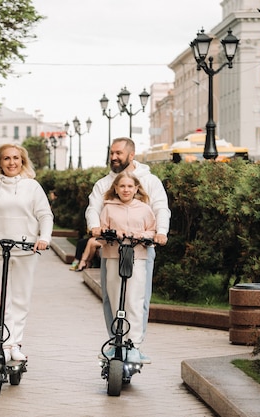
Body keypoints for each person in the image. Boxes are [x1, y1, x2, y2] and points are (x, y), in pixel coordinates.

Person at [85, 137, 170, 363]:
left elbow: (161, 208)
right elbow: (93, 208)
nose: (114, 157)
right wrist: (95, 227)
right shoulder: (104, 184)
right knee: (110, 297)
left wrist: (161, 232)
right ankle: (114, 341)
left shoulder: (150, 181)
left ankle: (135, 344)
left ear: (131, 155)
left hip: (141, 249)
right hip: (112, 249)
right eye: (111, 153)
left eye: (119, 153)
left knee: (138, 299)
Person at [0, 144, 53, 362]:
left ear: (22, 161)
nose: (11, 162)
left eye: (16, 158)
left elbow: (45, 215)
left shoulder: (32, 187)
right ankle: (2, 343)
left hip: (25, 249)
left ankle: (15, 343)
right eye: (6, 158)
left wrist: (44, 238)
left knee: (20, 299)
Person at [99, 170, 156, 363]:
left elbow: (152, 231)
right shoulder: (108, 208)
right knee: (116, 300)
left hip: (137, 258)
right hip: (114, 257)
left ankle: (134, 346)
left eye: (130, 186)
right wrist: (114, 232)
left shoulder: (144, 208)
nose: (126, 189)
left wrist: (142, 236)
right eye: (122, 186)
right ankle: (116, 342)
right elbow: (101, 232)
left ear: (136, 188)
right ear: (115, 188)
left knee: (134, 300)